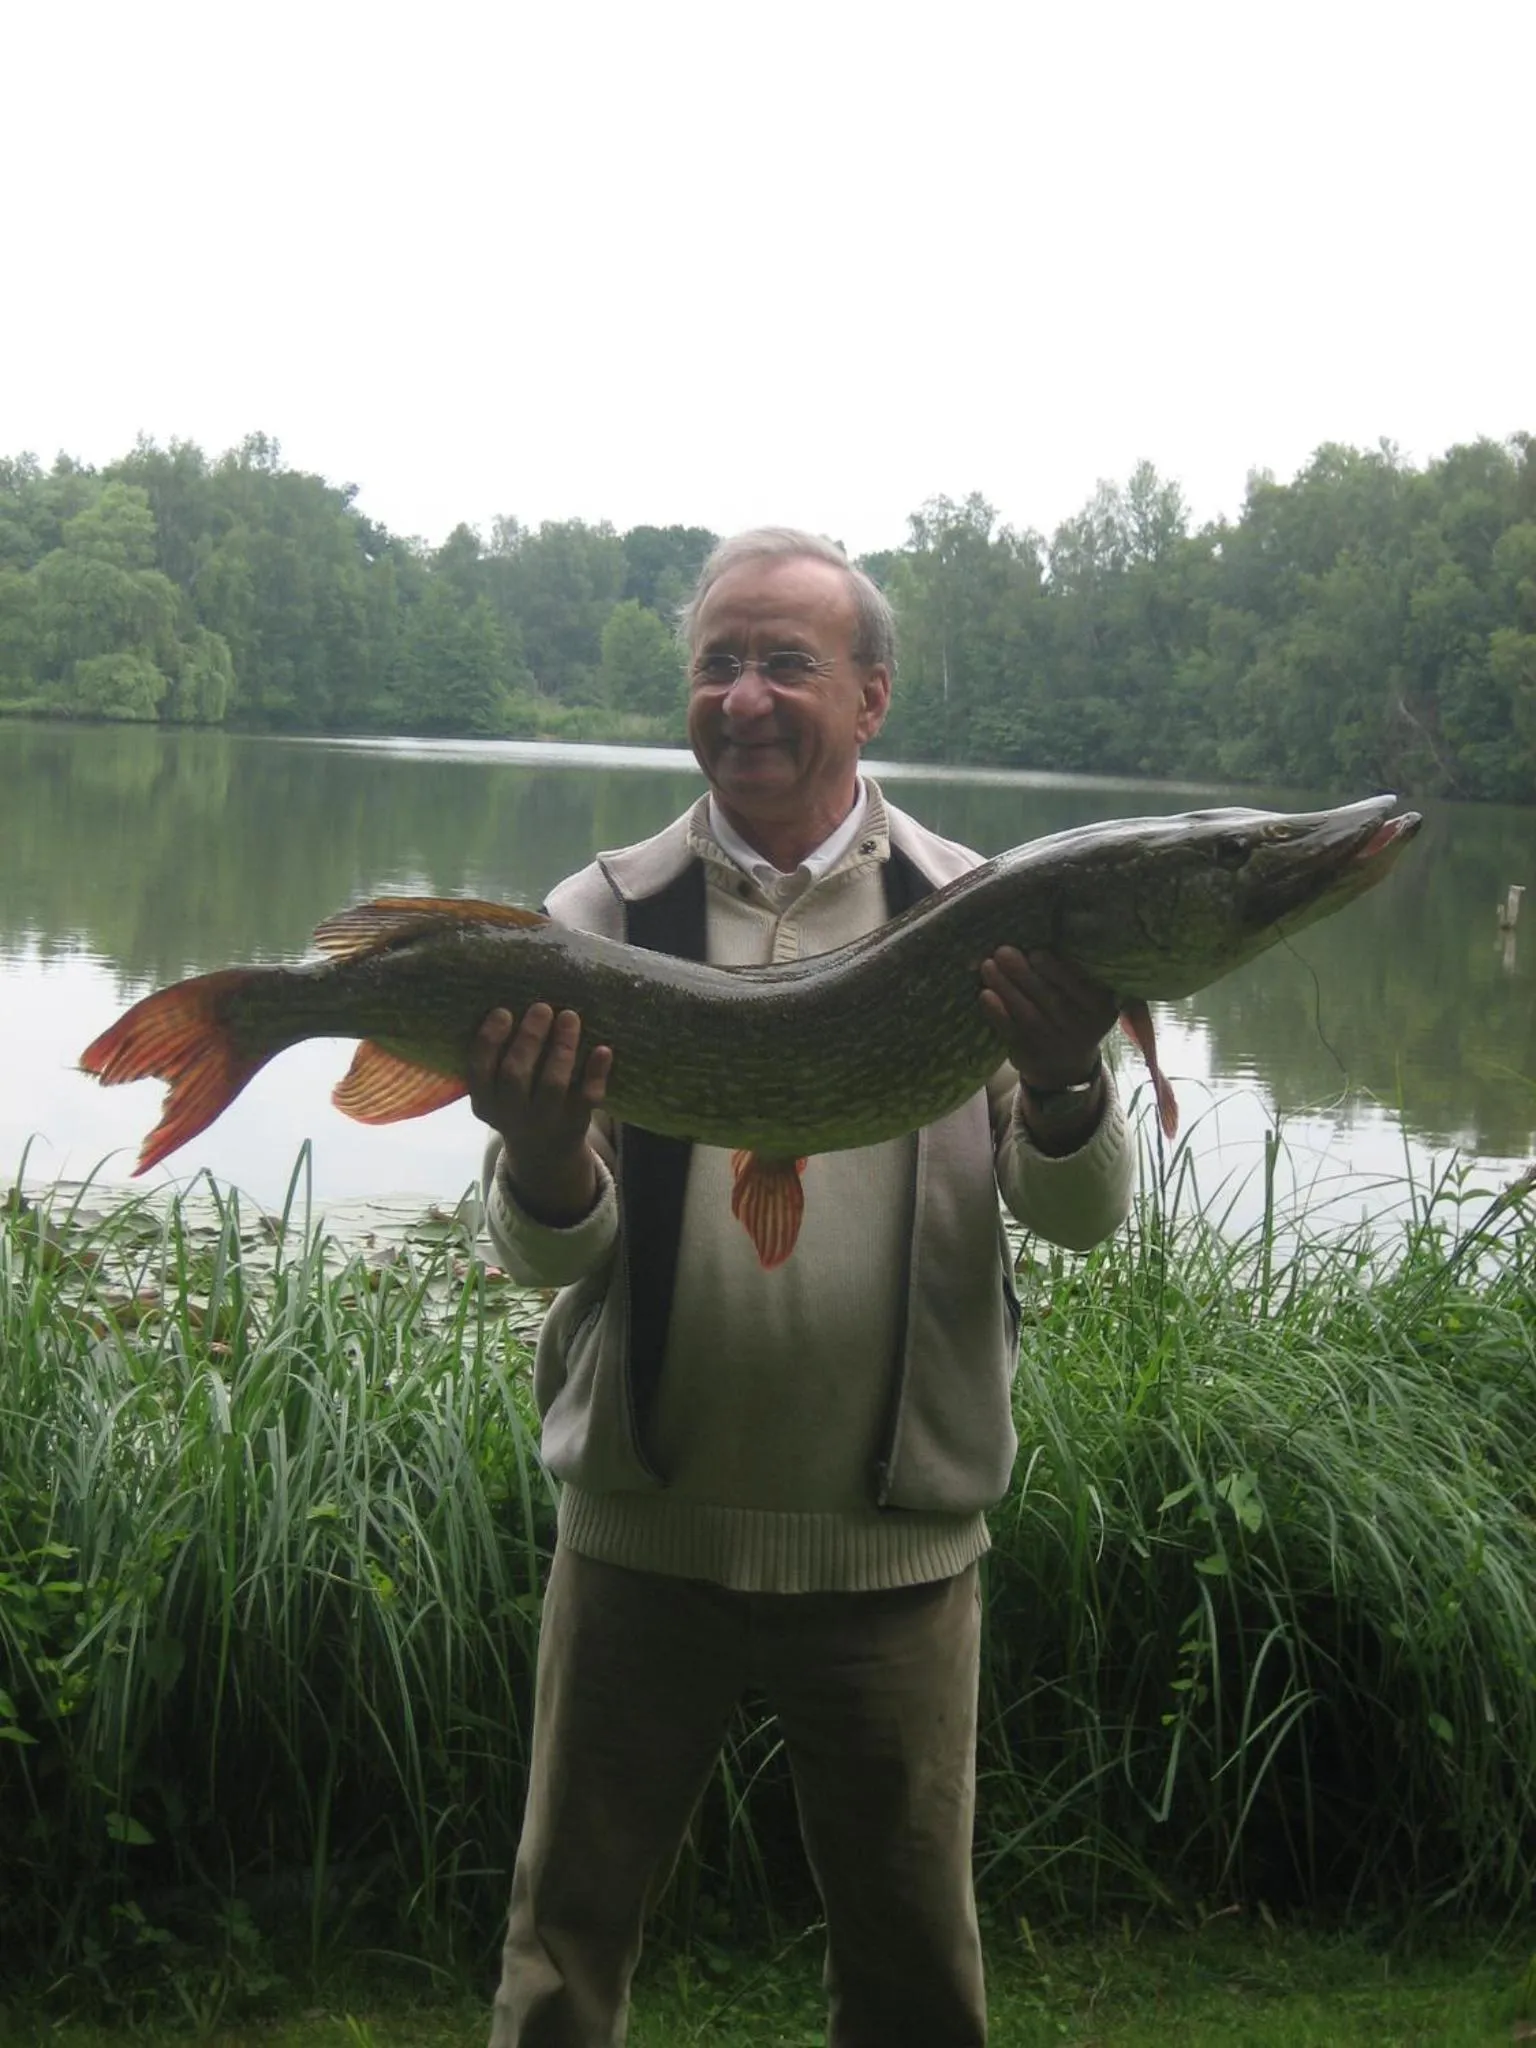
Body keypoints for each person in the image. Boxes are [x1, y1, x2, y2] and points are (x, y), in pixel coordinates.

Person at [469, 529, 1135, 2048]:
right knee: (561, 1959)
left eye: (788, 663)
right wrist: (543, 1148)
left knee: (913, 1975)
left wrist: (1059, 1075)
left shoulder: (985, 908)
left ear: (872, 694)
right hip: (642, 1527)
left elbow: (1079, 1218)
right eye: (719, 662)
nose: (746, 696)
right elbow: (545, 1255)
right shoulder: (599, 918)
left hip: (894, 1554)